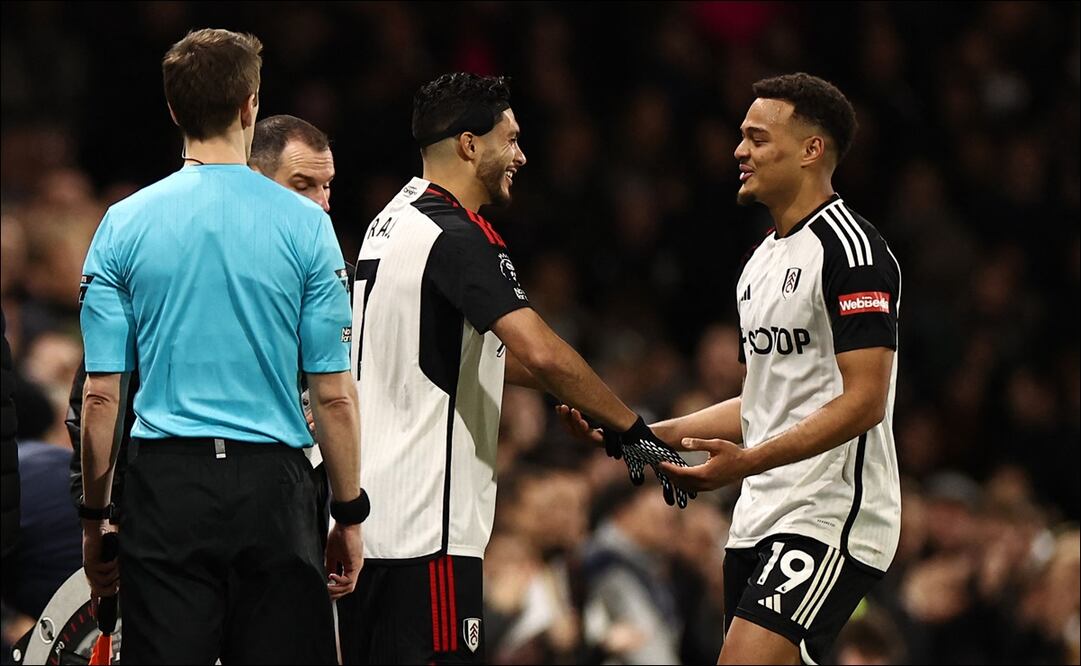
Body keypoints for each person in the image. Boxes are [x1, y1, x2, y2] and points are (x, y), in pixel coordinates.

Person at [336, 72, 688, 665]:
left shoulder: (387, 224)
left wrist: (586, 403)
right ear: (470, 145)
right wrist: (632, 429)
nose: (521, 156)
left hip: (371, 532)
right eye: (511, 139)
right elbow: (540, 351)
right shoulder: (457, 234)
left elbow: (469, 356)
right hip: (431, 536)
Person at [563, 73, 902, 665]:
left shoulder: (854, 253)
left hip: (830, 514)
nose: (739, 151)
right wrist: (639, 436)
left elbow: (866, 400)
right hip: (756, 517)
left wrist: (746, 463)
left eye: (757, 137)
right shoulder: (758, 264)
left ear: (810, 149)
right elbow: (761, 403)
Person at [77, 29, 364, 664]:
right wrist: (349, 511)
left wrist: (96, 519)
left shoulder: (122, 223)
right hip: (276, 489)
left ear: (174, 110)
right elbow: (334, 397)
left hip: (165, 488)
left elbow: (101, 397)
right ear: (249, 106)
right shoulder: (310, 228)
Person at [68, 113, 340, 521]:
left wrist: (346, 515)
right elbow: (98, 394)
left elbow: (347, 401)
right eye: (303, 186)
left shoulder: (338, 281)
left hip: (295, 506)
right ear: (253, 181)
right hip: (178, 491)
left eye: (327, 186)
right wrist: (103, 515)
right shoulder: (168, 264)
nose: (322, 203)